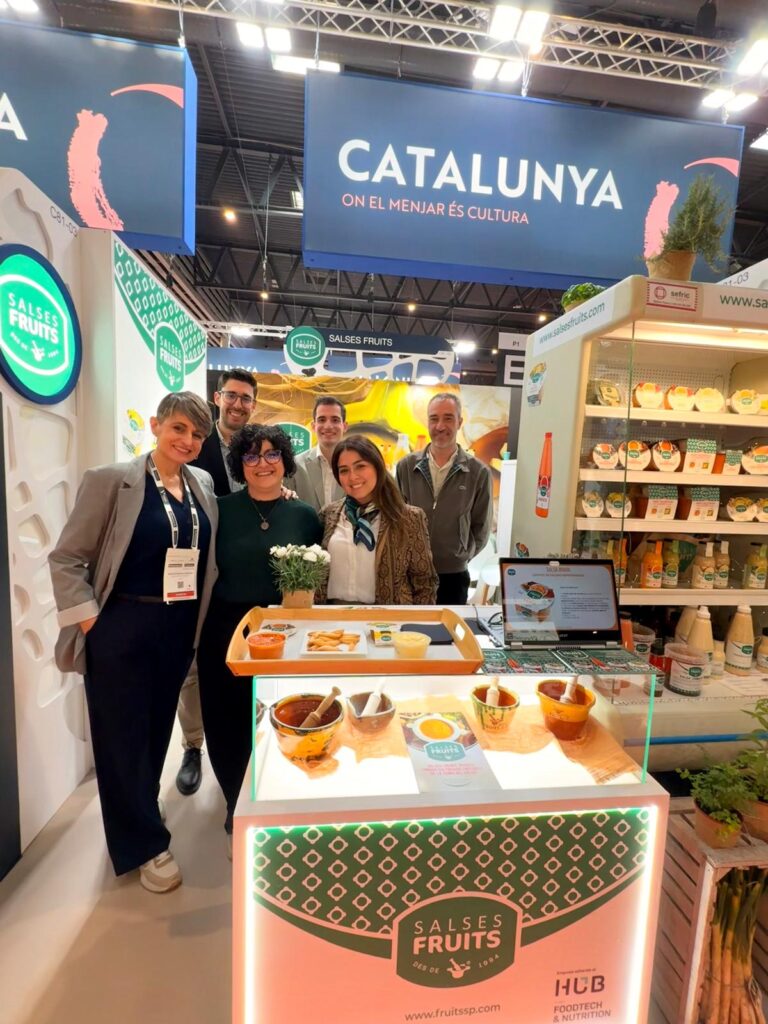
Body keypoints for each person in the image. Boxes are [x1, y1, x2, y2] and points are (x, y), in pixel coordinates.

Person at [48, 393, 218, 894]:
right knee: (120, 737)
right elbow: (66, 559)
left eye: (197, 435)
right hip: (122, 624)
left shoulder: (202, 484)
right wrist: (92, 624)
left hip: (178, 626)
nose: (188, 441)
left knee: (155, 729)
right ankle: (145, 845)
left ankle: (141, 804)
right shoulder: (110, 480)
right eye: (179, 428)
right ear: (156, 425)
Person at [197, 424, 322, 854]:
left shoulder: (305, 515)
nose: (262, 463)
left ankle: (277, 797)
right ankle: (235, 801)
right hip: (226, 629)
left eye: (271, 454)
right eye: (251, 456)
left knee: (279, 716)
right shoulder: (219, 510)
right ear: (239, 465)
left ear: (285, 461)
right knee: (226, 719)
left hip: (285, 630)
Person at [174, 368, 256, 798]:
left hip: (238, 571)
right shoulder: (196, 444)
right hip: (194, 568)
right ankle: (193, 746)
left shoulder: (255, 445)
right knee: (193, 668)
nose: (238, 404)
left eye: (246, 398)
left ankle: (243, 750)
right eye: (232, 396)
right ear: (218, 397)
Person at [395, 392, 492, 606]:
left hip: (454, 577)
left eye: (448, 418)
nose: (440, 426)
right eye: (434, 418)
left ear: (460, 422)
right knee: (408, 626)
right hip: (410, 573)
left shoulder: (478, 472)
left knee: (448, 627)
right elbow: (395, 518)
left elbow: (481, 527)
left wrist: (461, 555)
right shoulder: (406, 467)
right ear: (427, 422)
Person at [315, 435, 437, 605]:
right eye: (344, 470)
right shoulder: (329, 514)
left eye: (360, 466)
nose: (352, 476)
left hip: (387, 616)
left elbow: (424, 583)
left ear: (377, 467)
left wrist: (416, 619)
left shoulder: (409, 517)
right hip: (332, 614)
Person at [285, 396, 347, 511]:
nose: (328, 426)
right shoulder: (294, 466)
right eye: (322, 420)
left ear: (345, 426)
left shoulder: (355, 467)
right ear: (313, 426)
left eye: (335, 420)